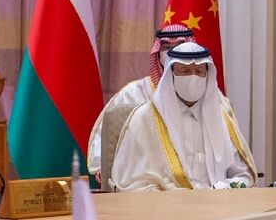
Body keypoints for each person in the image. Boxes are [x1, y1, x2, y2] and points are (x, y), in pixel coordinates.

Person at [110, 41, 257, 191]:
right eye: (185, 71)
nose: (193, 77)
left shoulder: (221, 117)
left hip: (217, 205)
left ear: (208, 74)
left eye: (199, 71)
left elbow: (244, 175)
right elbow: (133, 183)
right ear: (171, 74)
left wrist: (221, 188)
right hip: (166, 207)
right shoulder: (145, 118)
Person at [87, 25, 194, 178]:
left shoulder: (204, 96)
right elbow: (108, 134)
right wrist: (101, 166)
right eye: (166, 47)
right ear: (157, 53)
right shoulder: (132, 93)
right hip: (143, 177)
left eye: (179, 46)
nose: (172, 52)